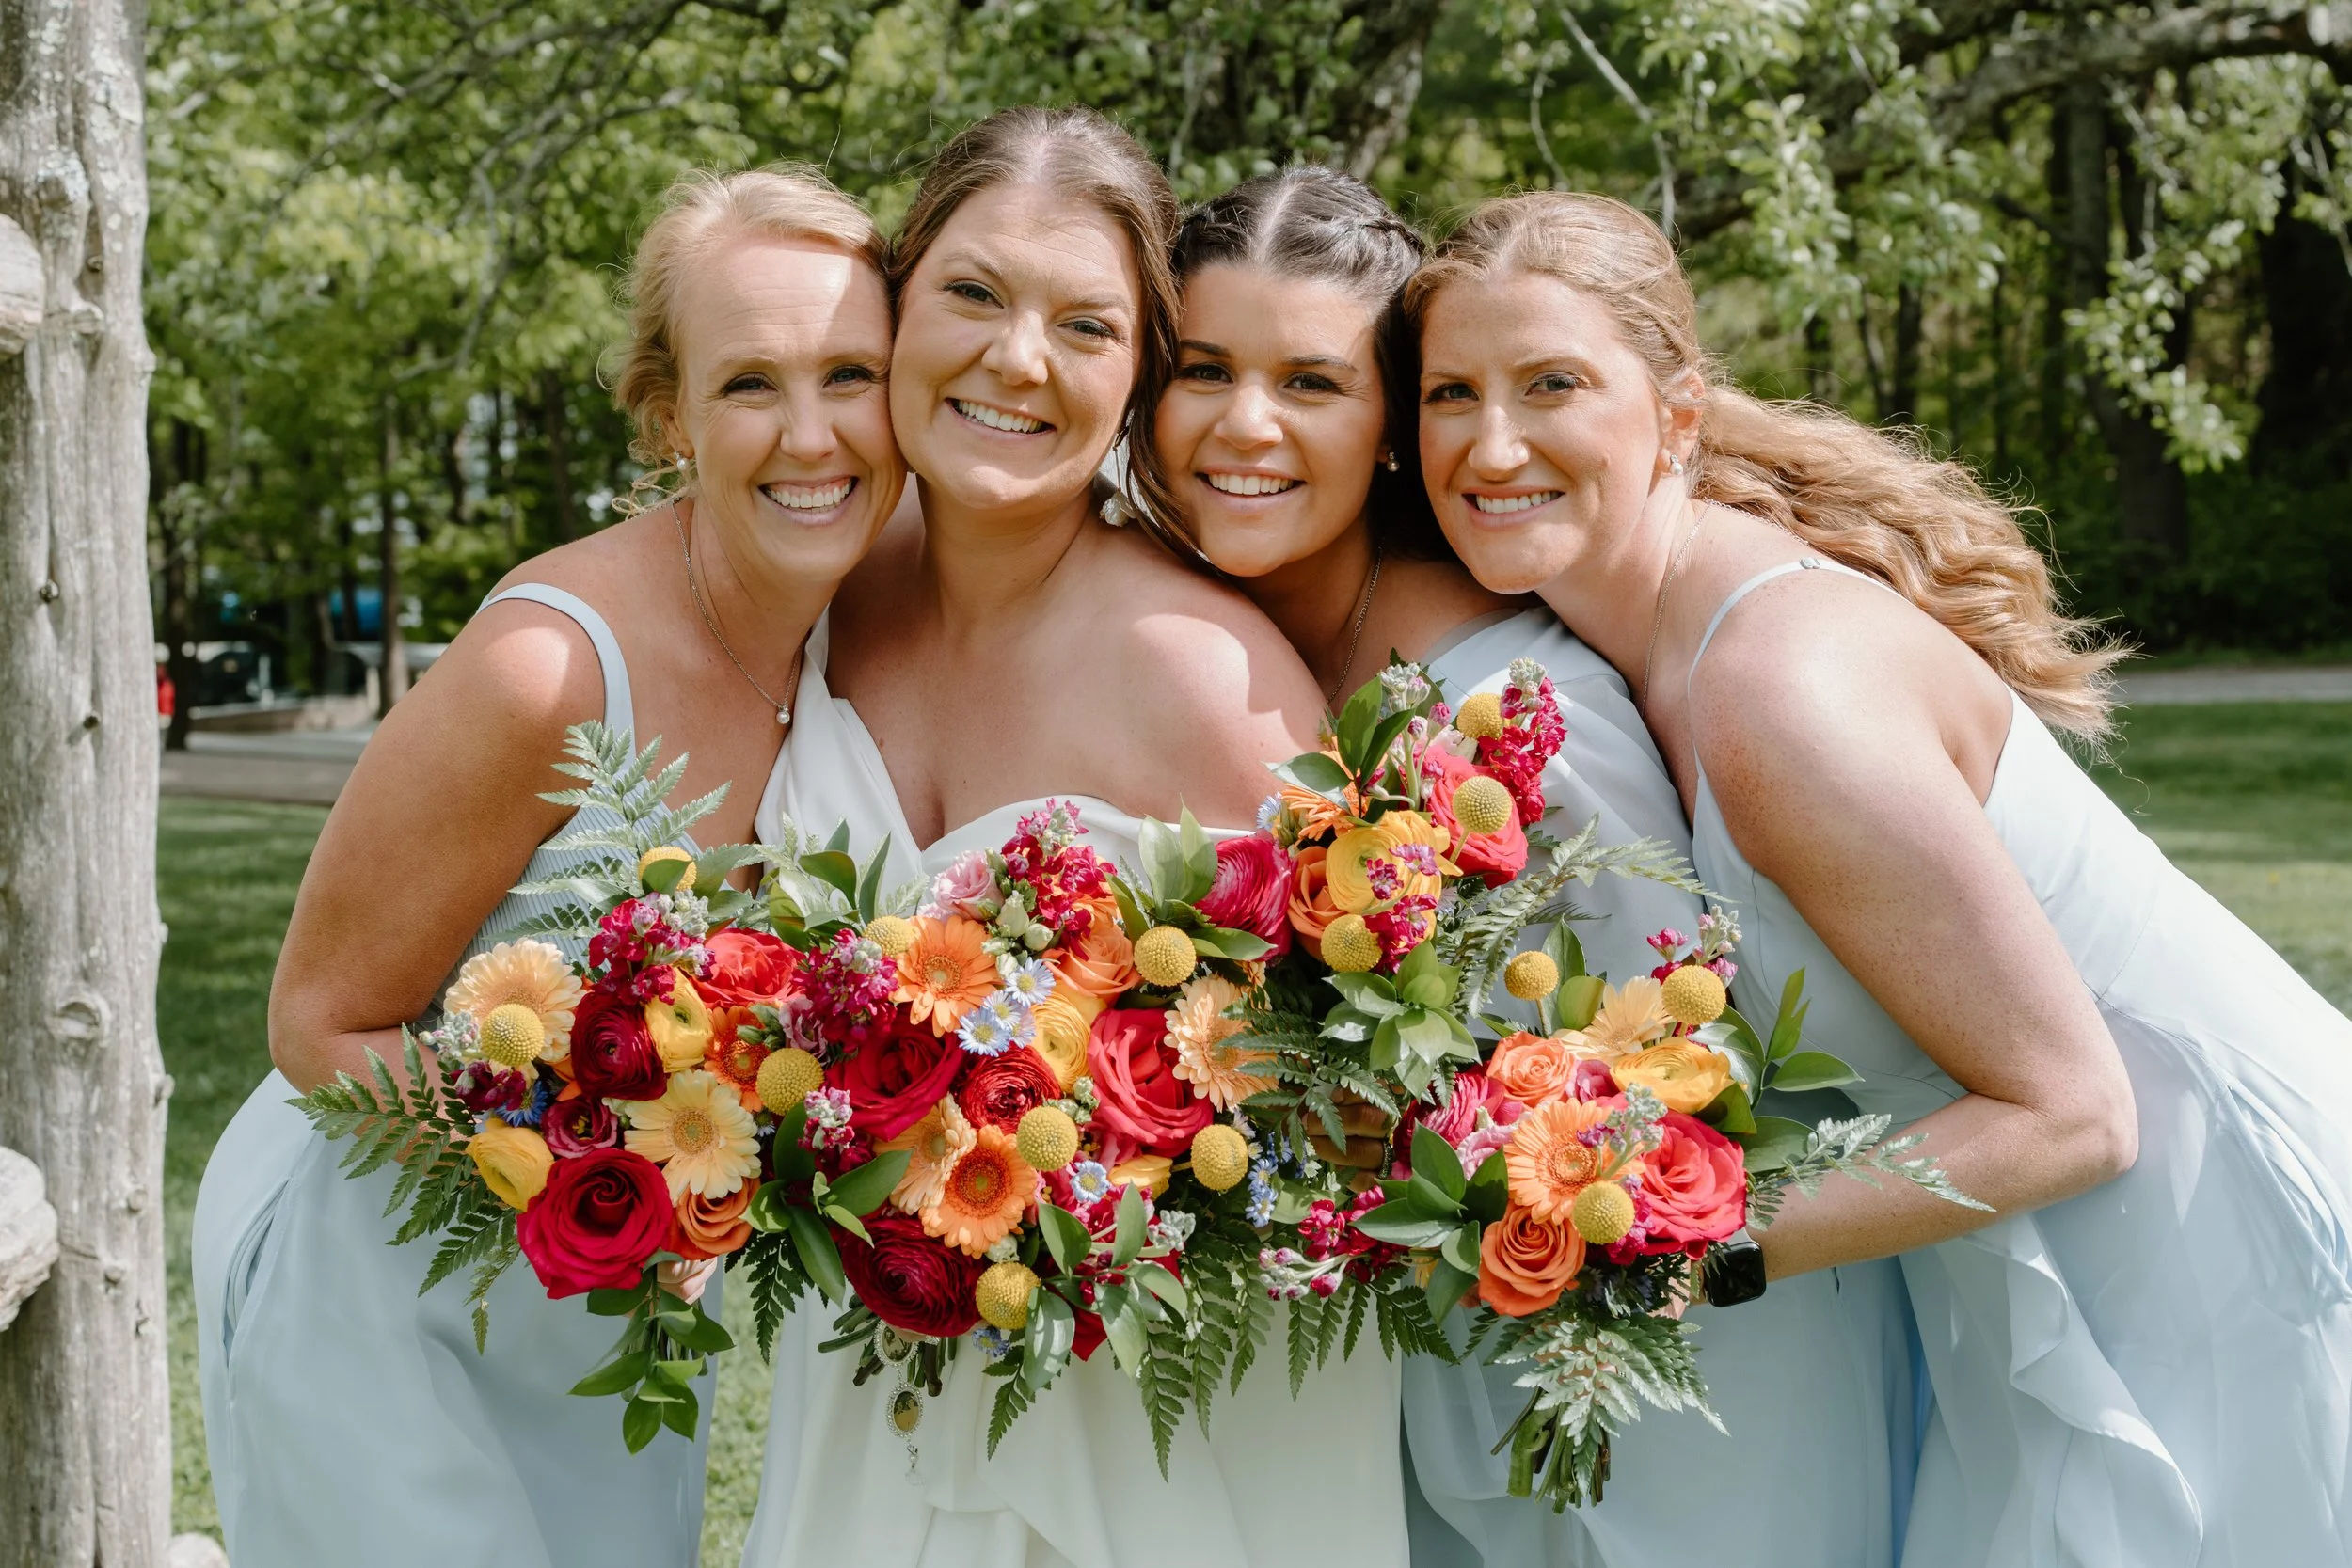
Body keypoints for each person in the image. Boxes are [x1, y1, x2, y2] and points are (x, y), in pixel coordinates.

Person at [1410, 189, 2352, 1567]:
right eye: (1451, 394)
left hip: (2217, 1255)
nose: (1492, 445)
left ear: (1677, 414)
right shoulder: (1621, 648)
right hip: (2032, 1257)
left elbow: (2080, 1112)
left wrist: (1669, 1238)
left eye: (1553, 384)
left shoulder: (1776, 687)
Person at [1136, 166, 1920, 1568]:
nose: (1245, 424)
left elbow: (1678, 1106)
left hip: (1668, 1408)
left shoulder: (1521, 726)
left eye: (1311, 383)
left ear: (1386, 427)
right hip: (1441, 1390)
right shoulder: (1224, 650)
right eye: (1204, 369)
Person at [191, 166, 905, 1568]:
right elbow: (316, 1024)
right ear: (668, 415)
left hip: (605, 1300)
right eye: (750, 382)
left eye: (852, 374)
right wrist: (600, 1165)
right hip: (376, 1272)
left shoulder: (871, 623)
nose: (810, 432)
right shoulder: (547, 671)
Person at [739, 106, 1403, 1568]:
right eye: (972, 292)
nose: (1017, 359)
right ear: (896, 303)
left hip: (1160, 1434)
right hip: (867, 1380)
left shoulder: (1205, 677)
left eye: (1085, 325)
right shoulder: (812, 590)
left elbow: (1356, 1118)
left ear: (1137, 375)